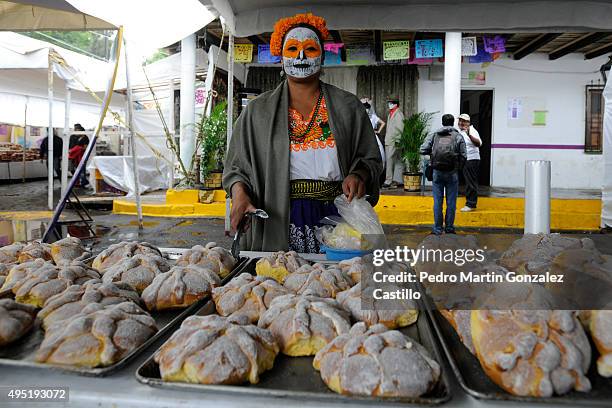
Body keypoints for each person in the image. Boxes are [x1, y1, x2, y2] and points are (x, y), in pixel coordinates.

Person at [223, 13, 382, 253]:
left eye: (309, 49)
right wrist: (239, 195)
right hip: (277, 219)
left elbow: (370, 159)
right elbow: (236, 169)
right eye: (292, 49)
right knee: (281, 285)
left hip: (339, 218)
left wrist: (359, 175)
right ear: (280, 56)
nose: (300, 56)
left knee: (336, 287)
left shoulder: (348, 106)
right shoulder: (257, 112)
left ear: (322, 55)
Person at [420, 114, 466, 235]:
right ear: (453, 123)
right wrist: (458, 168)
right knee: (451, 202)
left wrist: (432, 156)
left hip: (437, 172)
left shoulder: (435, 135)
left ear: (442, 122)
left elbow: (422, 149)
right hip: (452, 173)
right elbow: (464, 155)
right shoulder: (458, 136)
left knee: (437, 202)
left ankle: (437, 229)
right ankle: (449, 228)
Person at [457, 113, 482, 212]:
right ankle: (470, 202)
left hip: (471, 159)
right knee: (468, 181)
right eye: (460, 121)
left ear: (468, 122)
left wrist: (470, 135)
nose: (461, 123)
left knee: (471, 182)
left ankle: (471, 204)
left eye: (464, 121)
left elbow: (479, 143)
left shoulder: (471, 130)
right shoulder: (461, 131)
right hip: (465, 160)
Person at [361, 97, 386, 186]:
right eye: (365, 109)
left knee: (379, 155)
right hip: (364, 137)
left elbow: (383, 123)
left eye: (368, 109)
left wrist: (378, 131)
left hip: (373, 137)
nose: (367, 111)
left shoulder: (374, 117)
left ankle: (378, 178)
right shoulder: (362, 118)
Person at [383, 96, 405, 188]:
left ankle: (388, 181)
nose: (389, 105)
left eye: (390, 103)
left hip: (393, 141)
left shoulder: (398, 114)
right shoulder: (391, 114)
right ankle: (397, 180)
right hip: (389, 140)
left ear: (395, 104)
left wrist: (397, 140)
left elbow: (400, 128)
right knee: (396, 161)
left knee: (390, 160)